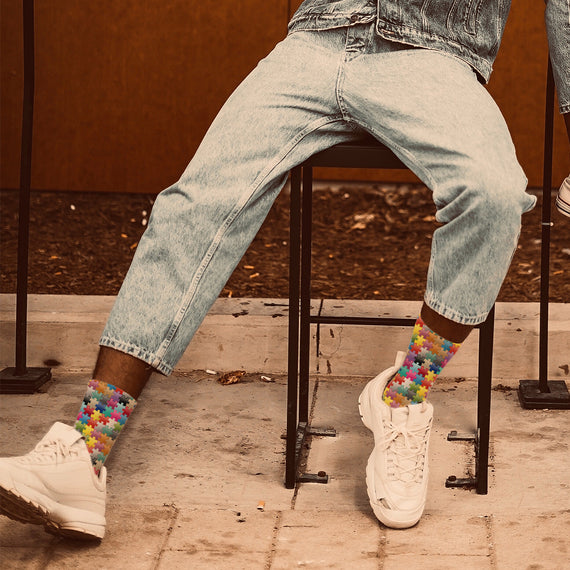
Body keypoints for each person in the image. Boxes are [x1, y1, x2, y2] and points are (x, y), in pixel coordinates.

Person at [0, 0, 565, 541]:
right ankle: (84, 453)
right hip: (316, 41)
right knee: (194, 205)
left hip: (433, 56)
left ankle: (404, 393)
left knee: (493, 196)